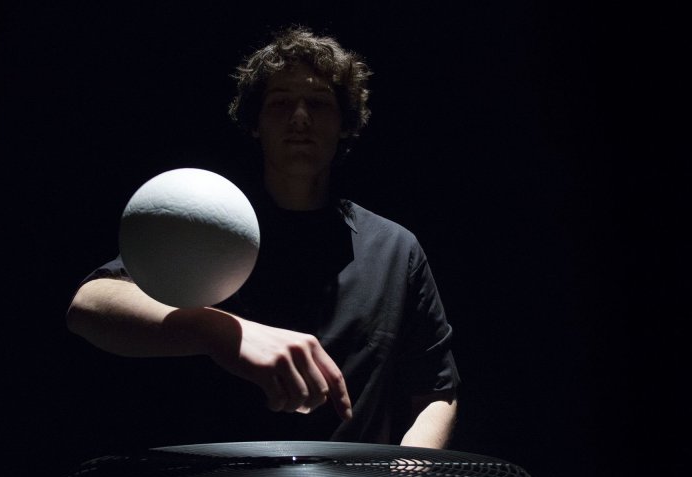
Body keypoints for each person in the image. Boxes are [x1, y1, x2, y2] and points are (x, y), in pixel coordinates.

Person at [66, 26, 460, 448]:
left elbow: (436, 390)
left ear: (345, 124)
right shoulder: (209, 226)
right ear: (255, 123)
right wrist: (220, 332)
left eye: (320, 103)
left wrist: (409, 475)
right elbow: (88, 305)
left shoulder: (395, 249)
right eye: (281, 103)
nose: (300, 117)